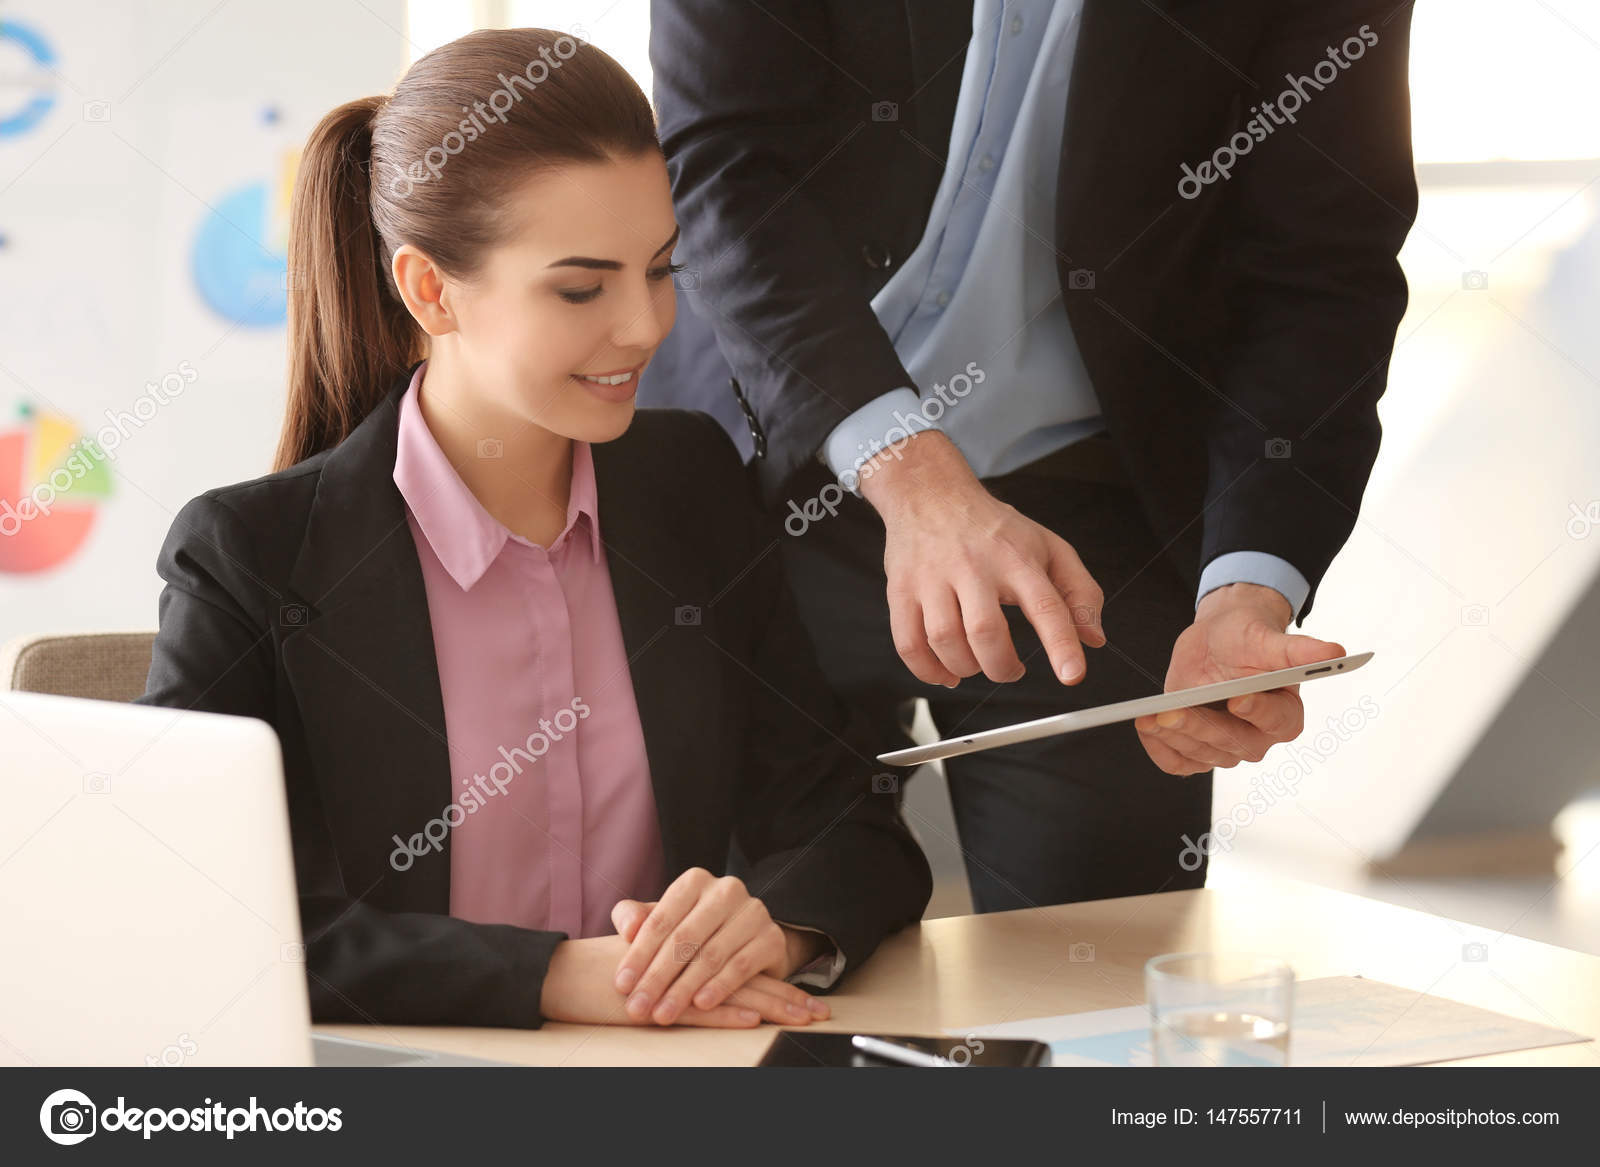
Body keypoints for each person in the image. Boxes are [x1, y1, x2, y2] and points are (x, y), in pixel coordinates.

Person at [135, 27, 931, 1031]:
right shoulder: (247, 557)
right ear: (429, 289)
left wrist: (776, 930)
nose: (645, 325)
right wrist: (556, 978)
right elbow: (194, 915)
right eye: (581, 287)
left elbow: (846, 822)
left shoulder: (690, 486)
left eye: (661, 269)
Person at [641, 0, 1417, 911]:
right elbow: (720, 169)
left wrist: (1244, 592)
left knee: (1101, 979)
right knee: (747, 955)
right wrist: (915, 477)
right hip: (767, 468)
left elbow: (1322, 270)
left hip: (1086, 537)